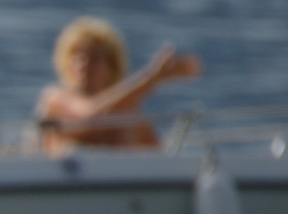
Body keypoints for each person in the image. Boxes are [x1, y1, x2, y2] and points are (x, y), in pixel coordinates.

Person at [34, 16, 201, 155]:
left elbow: (158, 154)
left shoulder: (127, 111)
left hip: (116, 185)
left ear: (111, 65)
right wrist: (153, 77)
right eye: (77, 57)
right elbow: (89, 119)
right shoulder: (55, 98)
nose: (84, 65)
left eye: (94, 57)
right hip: (63, 183)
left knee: (126, 120)